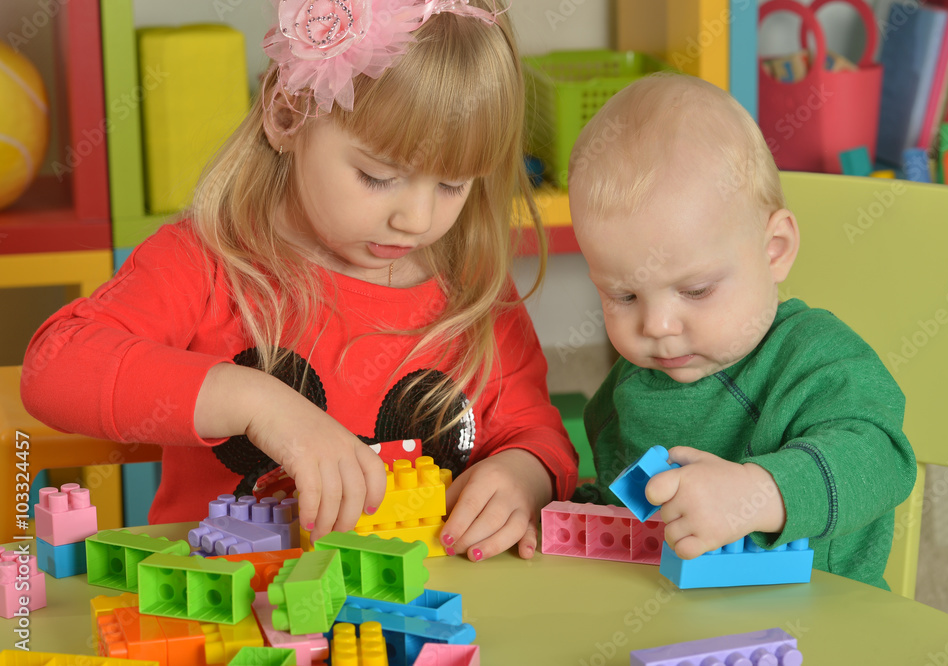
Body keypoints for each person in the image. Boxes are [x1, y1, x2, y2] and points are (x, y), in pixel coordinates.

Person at [20, 0, 578, 562]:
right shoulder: (206, 262)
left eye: (453, 185)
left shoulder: (473, 289)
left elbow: (537, 436)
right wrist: (258, 404)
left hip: (425, 598)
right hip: (230, 597)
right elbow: (55, 368)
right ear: (287, 116)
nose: (417, 219)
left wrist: (523, 476)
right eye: (377, 176)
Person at [567, 72, 915, 588]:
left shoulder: (817, 359)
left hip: (825, 617)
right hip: (673, 615)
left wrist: (759, 493)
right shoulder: (631, 385)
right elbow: (624, 502)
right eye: (624, 296)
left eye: (696, 290)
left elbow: (881, 459)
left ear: (774, 251)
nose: (657, 326)